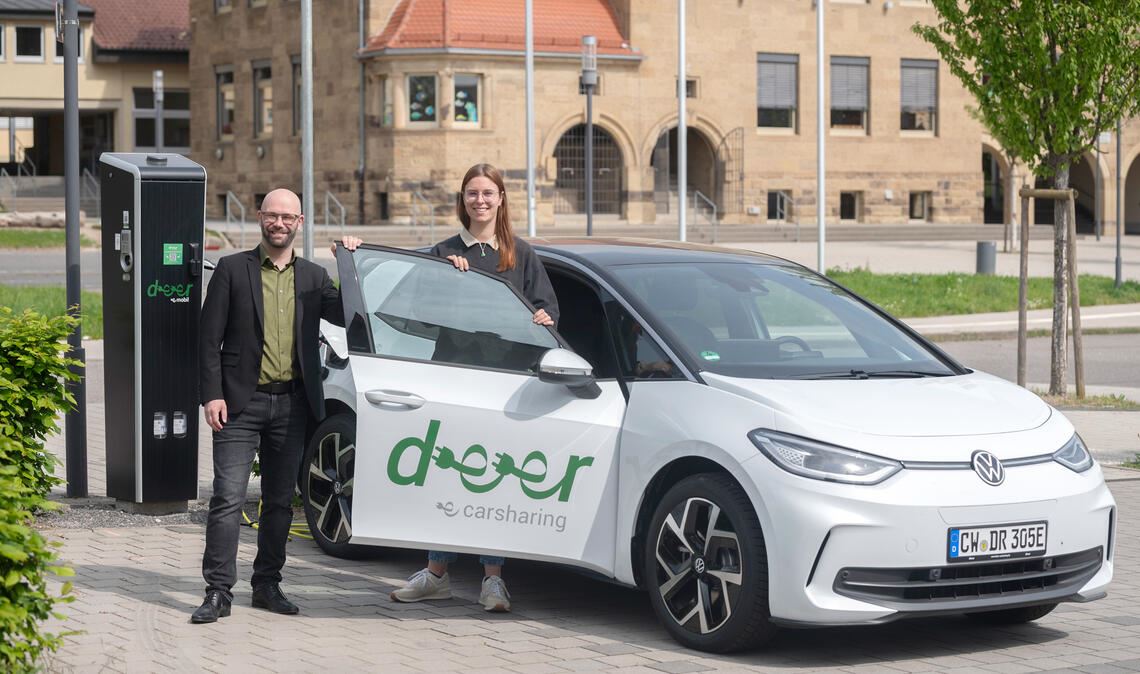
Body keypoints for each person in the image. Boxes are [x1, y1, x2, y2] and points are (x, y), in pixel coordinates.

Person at [389, 163, 559, 613]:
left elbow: (546, 312)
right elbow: (416, 308)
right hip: (453, 379)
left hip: (503, 385)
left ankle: (493, 581)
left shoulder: (521, 254)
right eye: (472, 193)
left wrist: (543, 318)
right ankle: (436, 574)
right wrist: (445, 278)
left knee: (493, 477)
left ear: (501, 198)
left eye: (487, 193)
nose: (480, 201)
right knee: (446, 473)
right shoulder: (445, 252)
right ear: (462, 200)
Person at [192, 187, 362, 623]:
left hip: (293, 405)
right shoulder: (232, 269)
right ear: (260, 217)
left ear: (300, 223)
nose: (280, 223)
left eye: (288, 217)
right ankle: (218, 591)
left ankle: (266, 584)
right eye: (273, 215)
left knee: (281, 502)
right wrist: (211, 394)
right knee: (228, 498)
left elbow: (352, 316)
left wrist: (351, 262)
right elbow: (208, 340)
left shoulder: (314, 277)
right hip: (238, 405)